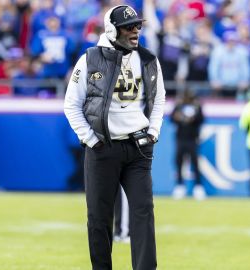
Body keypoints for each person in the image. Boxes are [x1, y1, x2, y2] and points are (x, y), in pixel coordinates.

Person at [64, 5, 165, 270]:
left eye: (137, 26)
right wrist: (91, 139)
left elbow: (159, 98)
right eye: (128, 26)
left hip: (137, 148)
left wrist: (153, 132)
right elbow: (71, 104)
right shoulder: (89, 59)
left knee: (143, 213)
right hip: (102, 147)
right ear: (112, 29)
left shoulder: (147, 59)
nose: (135, 31)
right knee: (99, 217)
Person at [171, 91, 205, 200]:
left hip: (192, 139)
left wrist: (193, 118)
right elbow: (172, 119)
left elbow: (201, 120)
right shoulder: (179, 106)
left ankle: (198, 187)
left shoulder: (196, 107)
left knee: (195, 163)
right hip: (180, 139)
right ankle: (180, 185)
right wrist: (180, 116)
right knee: (179, 162)